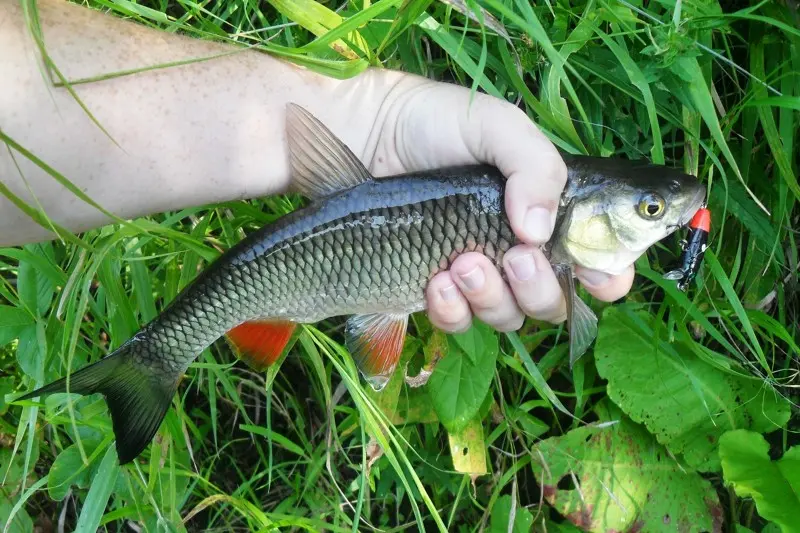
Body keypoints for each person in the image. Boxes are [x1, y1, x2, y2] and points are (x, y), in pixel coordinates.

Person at [0, 0, 633, 336]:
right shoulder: (545, 224)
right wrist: (370, 115)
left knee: (409, 304)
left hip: (343, 212)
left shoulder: (551, 237)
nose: (659, 219)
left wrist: (375, 115)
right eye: (649, 211)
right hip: (337, 218)